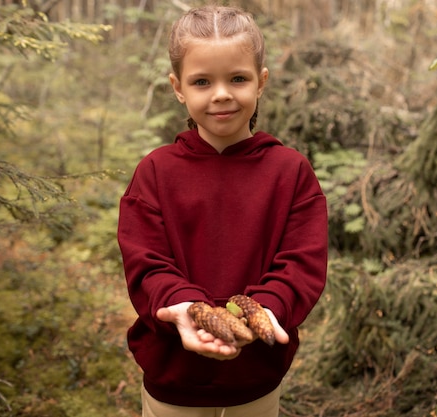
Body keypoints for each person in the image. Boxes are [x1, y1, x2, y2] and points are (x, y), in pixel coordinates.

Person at [117, 5, 328, 417]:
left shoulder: (291, 172)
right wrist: (184, 307)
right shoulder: (155, 172)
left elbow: (302, 263)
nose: (221, 94)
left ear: (260, 82)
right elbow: (147, 263)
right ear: (178, 87)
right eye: (201, 81)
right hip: (172, 380)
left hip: (257, 380)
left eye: (237, 78)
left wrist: (267, 308)